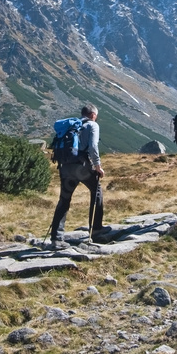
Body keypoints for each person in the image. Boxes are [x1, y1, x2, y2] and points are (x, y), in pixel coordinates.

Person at [49, 104, 105, 248]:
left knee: (64, 199)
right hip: (81, 166)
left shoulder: (72, 126)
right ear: (93, 115)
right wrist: (98, 166)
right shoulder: (92, 125)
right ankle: (96, 229)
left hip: (65, 166)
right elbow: (93, 146)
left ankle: (56, 237)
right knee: (97, 190)